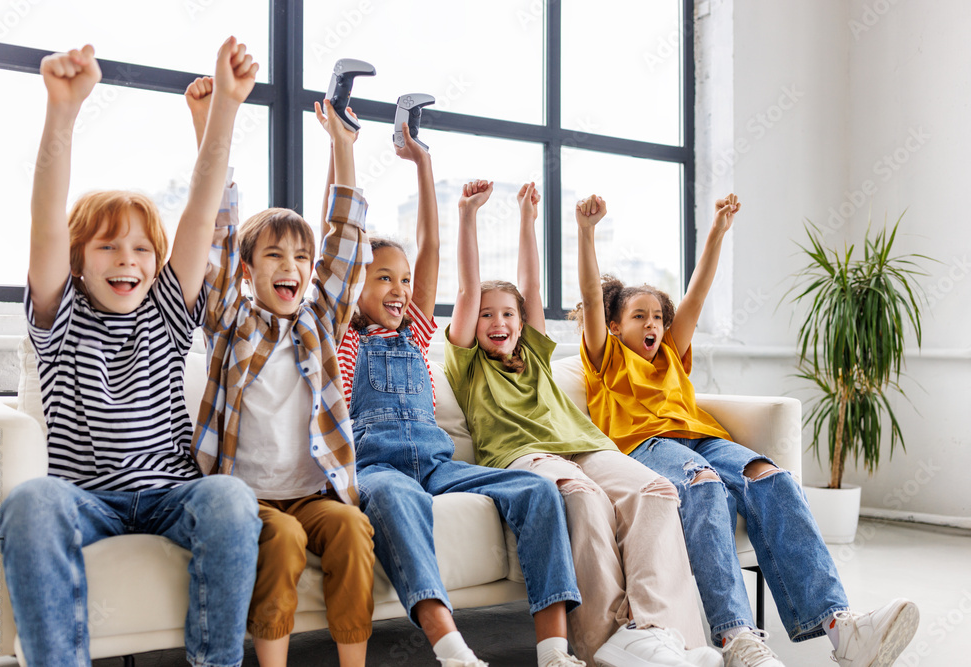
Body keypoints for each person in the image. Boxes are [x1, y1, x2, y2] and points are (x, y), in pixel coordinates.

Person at [570, 192, 920, 667]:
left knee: (769, 476)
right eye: (639, 317)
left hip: (705, 439)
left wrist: (716, 231)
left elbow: (697, 292)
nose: (652, 324)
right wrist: (586, 233)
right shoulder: (605, 358)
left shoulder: (671, 351)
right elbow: (592, 295)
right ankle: (736, 638)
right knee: (704, 485)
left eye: (657, 316)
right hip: (646, 448)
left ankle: (842, 628)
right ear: (614, 326)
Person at [0, 38, 262, 667]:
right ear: (78, 261)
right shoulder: (59, 317)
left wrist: (225, 108)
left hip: (171, 492)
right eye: (109, 248)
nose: (128, 260)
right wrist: (62, 114)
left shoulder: (167, 312)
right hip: (85, 496)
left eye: (142, 249)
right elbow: (45, 225)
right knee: (30, 501)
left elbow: (201, 215)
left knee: (230, 497)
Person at [444, 181, 720, 667]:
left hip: (587, 445)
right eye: (487, 315)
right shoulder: (466, 363)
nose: (498, 321)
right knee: (584, 497)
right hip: (524, 456)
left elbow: (530, 289)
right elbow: (468, 289)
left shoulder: (533, 351)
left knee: (657, 491)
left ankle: (666, 637)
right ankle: (604, 644)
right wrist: (467, 217)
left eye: (507, 313)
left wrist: (529, 222)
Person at [335, 139, 584, 667]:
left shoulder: (417, 329)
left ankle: (555, 651)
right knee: (396, 501)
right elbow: (343, 243)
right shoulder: (342, 339)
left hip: (440, 463)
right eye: (383, 278)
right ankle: (453, 650)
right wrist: (345, 148)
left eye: (404, 281)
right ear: (353, 283)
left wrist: (424, 165)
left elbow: (430, 247)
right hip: (376, 467)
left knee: (537, 490)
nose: (400, 289)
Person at [187, 79, 375, 667]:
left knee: (349, 527)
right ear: (248, 271)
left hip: (311, 493)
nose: (290, 267)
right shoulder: (229, 319)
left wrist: (342, 145)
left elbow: (346, 242)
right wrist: (207, 127)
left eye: (300, 258)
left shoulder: (320, 320)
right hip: (250, 499)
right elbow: (216, 237)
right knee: (286, 540)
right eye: (273, 256)